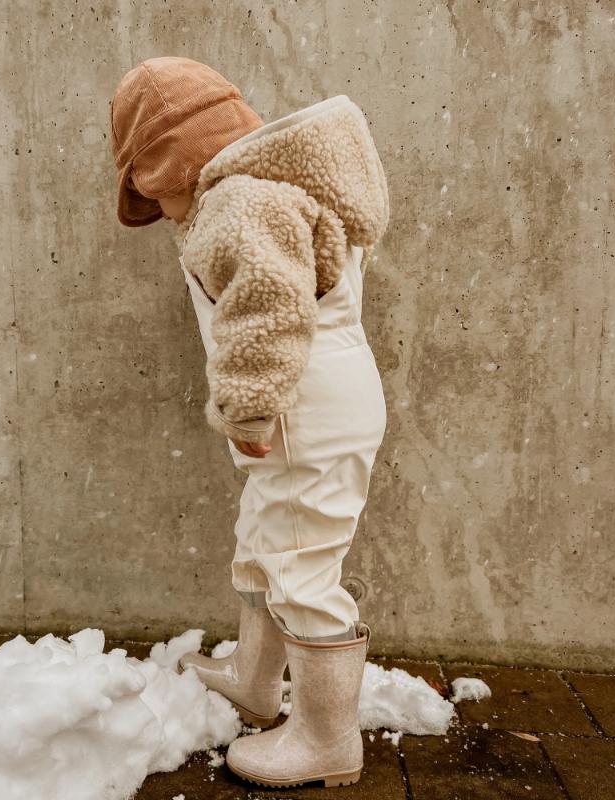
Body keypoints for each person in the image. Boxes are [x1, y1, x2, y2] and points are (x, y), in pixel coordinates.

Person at [110, 56, 389, 789]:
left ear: (171, 158)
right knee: (268, 542)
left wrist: (250, 404)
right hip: (315, 399)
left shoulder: (239, 202)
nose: (161, 207)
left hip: (303, 406)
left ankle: (328, 740)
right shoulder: (267, 189)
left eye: (152, 185)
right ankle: (256, 682)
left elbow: (268, 306)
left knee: (300, 565)